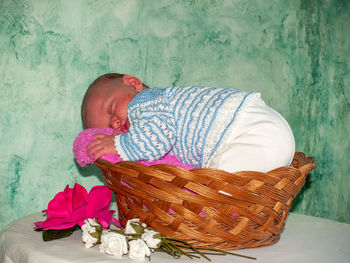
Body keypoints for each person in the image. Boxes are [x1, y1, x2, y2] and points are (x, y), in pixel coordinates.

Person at [81, 73, 295, 173]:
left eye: (111, 109)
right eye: (109, 127)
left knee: (213, 189)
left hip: (249, 130)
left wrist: (116, 144)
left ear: (134, 84)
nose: (116, 124)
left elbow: (155, 137)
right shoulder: (162, 106)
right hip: (263, 133)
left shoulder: (146, 101)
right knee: (234, 185)